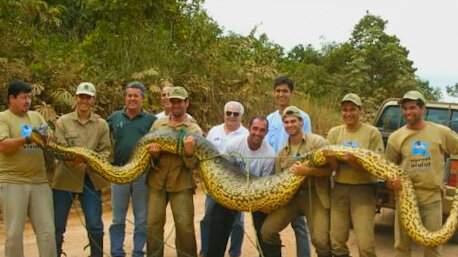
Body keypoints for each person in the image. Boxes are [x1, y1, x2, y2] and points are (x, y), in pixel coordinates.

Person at [385, 91, 458, 257]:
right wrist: (391, 182)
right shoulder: (396, 138)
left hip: (431, 198)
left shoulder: (441, 132)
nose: (408, 112)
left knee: (433, 248)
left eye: (412, 107)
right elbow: (389, 170)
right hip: (404, 198)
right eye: (405, 108)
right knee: (401, 248)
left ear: (423, 108)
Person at [261, 106, 333, 257]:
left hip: (314, 194)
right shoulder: (282, 153)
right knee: (267, 232)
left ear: (301, 122)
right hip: (291, 198)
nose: (290, 125)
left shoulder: (318, 143)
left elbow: (330, 171)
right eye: (286, 122)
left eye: (293, 121)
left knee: (321, 240)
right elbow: (277, 182)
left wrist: (308, 171)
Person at [52, 82, 111, 257]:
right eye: (81, 96)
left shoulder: (101, 124)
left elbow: (106, 151)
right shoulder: (63, 121)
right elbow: (59, 149)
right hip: (65, 179)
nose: (84, 100)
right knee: (57, 224)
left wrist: (88, 160)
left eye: (88, 97)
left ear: (93, 100)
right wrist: (81, 158)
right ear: (76, 98)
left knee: (94, 224)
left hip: (91, 180)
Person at [0, 79, 57, 257]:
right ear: (12, 98)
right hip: (13, 181)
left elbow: (51, 139)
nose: (27, 102)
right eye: (23, 98)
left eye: (29, 98)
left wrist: (48, 138)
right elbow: (3, 145)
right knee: (13, 233)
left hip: (39, 181)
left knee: (47, 231)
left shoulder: (37, 117)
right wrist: (28, 139)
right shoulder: (3, 118)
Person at [207, 116, 276, 257]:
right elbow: (223, 172)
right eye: (255, 128)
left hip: (256, 194)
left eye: (262, 130)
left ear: (266, 132)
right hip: (232, 190)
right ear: (249, 128)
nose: (257, 133)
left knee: (266, 229)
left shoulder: (269, 154)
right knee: (218, 222)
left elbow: (264, 185)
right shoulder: (234, 145)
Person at [147, 86, 203, 257]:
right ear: (169, 103)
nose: (176, 105)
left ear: (187, 103)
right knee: (153, 225)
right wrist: (154, 156)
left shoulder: (194, 130)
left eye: (180, 101)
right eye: (173, 101)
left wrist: (189, 154)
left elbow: (196, 164)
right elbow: (146, 152)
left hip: (181, 183)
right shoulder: (158, 124)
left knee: (184, 227)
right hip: (157, 182)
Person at [327, 93, 384, 257]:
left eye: (352, 109)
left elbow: (377, 168)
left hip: (364, 190)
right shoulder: (334, 133)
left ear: (360, 111)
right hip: (339, 188)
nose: (348, 113)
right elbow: (333, 168)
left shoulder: (372, 133)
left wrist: (353, 162)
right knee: (337, 241)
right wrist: (331, 159)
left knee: (365, 244)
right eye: (345, 110)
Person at [108, 81, 157, 257]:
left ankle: (138, 251)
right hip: (119, 172)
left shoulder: (152, 121)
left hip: (141, 174)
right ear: (125, 97)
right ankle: (116, 251)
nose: (132, 99)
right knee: (117, 217)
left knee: (142, 218)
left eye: (136, 96)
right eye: (129, 95)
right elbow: (104, 139)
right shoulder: (114, 118)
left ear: (142, 99)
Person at [266, 77, 312, 257]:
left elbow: (305, 145)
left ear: (291, 93)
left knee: (299, 224)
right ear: (274, 93)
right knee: (270, 222)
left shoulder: (303, 117)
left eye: (285, 91)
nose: (281, 94)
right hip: (274, 174)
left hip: (295, 174)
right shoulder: (270, 118)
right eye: (278, 91)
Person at [200, 101, 248, 257]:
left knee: (237, 222)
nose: (232, 116)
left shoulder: (246, 134)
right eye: (229, 113)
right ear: (224, 114)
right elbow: (204, 154)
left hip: (235, 186)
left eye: (236, 114)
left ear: (241, 116)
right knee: (208, 218)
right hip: (214, 184)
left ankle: (235, 252)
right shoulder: (214, 131)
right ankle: (206, 251)